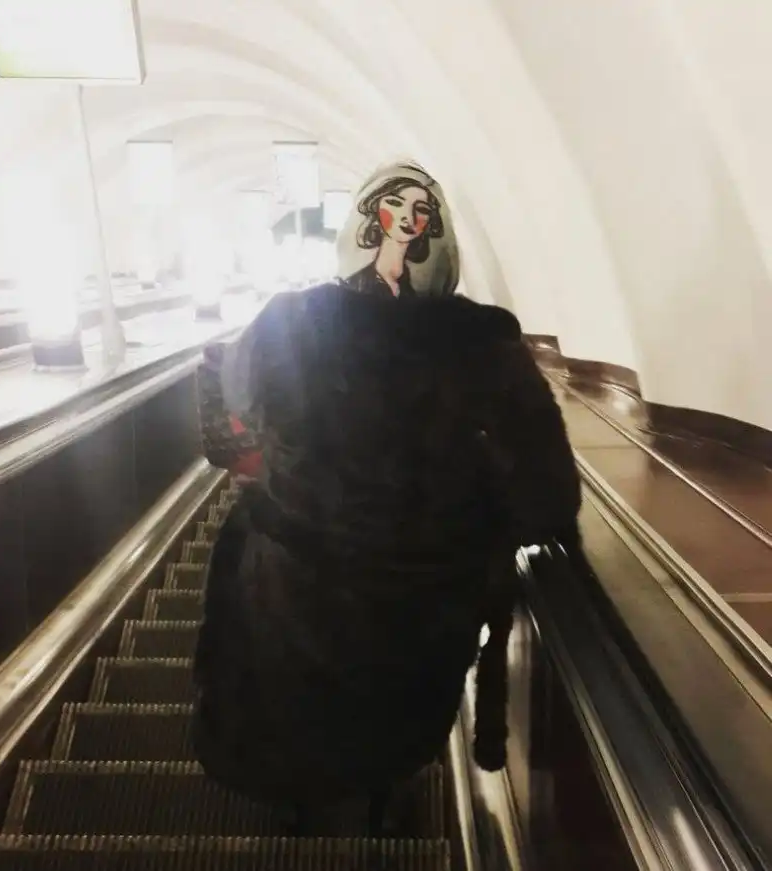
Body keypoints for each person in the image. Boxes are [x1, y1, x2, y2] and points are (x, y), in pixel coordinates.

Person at [193, 161, 582, 834]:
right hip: (423, 626)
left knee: (283, 700)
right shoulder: (487, 348)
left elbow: (221, 430)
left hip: (292, 607)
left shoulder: (289, 326)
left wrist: (272, 459)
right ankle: (383, 808)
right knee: (391, 732)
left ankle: (298, 816)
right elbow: (548, 500)